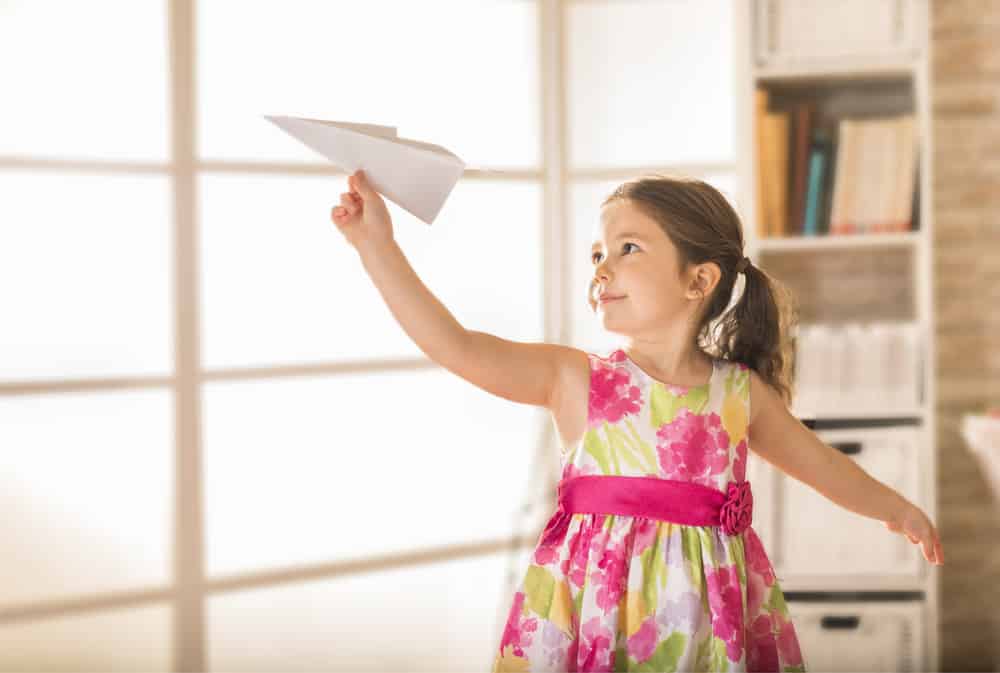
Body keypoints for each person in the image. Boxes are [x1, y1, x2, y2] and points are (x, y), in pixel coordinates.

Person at [331, 169, 945, 672]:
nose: (602, 268)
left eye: (628, 250)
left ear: (698, 280)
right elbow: (456, 346)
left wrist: (897, 509)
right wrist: (376, 245)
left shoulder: (739, 393)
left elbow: (820, 463)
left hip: (709, 623)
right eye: (598, 253)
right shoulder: (575, 379)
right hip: (593, 614)